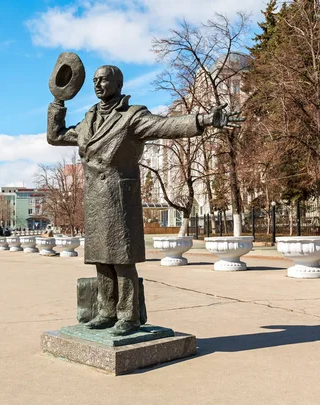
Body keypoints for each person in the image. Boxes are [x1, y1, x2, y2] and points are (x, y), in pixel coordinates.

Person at [47, 64, 243, 335]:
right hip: (94, 199)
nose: (97, 85)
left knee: (122, 260)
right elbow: (55, 136)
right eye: (94, 80)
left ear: (118, 84)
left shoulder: (132, 116)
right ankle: (105, 312)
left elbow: (165, 125)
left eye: (103, 80)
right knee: (101, 260)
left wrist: (204, 120)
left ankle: (127, 316)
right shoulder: (87, 121)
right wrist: (59, 101)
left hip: (119, 196)